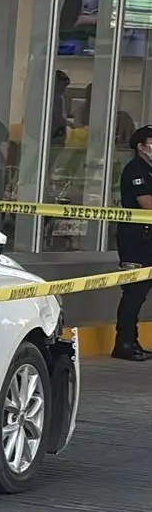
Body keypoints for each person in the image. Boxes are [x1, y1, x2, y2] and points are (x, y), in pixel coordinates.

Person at [113, 124, 152, 361]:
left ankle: (133, 340)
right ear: (141, 146)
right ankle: (124, 342)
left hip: (149, 239)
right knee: (134, 292)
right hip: (135, 241)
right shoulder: (135, 169)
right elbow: (147, 204)